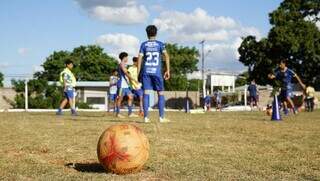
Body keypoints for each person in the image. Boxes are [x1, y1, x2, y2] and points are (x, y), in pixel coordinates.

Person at [137, 25, 171, 123]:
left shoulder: (143, 45)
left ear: (147, 34)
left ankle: (146, 118)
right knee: (160, 93)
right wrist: (167, 70)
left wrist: (138, 73)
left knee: (146, 93)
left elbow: (139, 59)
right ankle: (161, 117)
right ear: (156, 33)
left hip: (146, 72)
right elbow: (166, 56)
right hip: (157, 72)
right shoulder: (160, 44)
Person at [115, 52, 139, 118]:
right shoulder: (122, 64)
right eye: (127, 57)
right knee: (120, 99)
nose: (127, 58)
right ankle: (118, 113)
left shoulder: (125, 64)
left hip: (126, 85)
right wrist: (134, 80)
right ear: (124, 57)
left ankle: (130, 113)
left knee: (131, 97)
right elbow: (126, 73)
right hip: (121, 85)